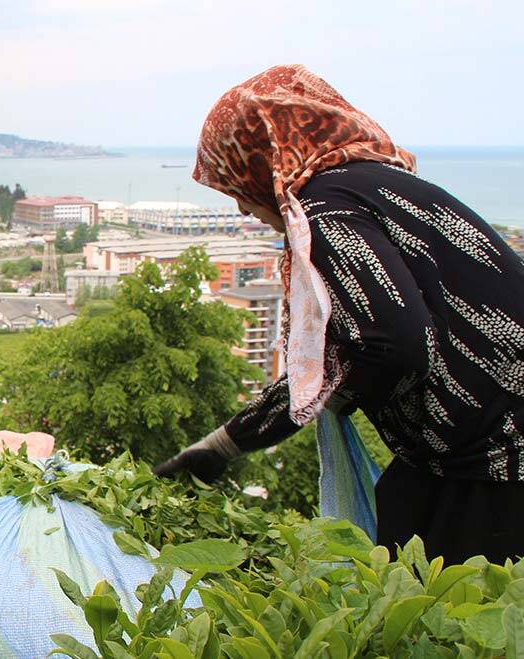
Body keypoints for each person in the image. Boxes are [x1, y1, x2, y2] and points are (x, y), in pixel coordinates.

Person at [154, 65, 524, 564]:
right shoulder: (372, 185)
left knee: (440, 595)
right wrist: (221, 447)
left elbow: (392, 345)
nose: (242, 207)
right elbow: (340, 363)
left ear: (262, 161)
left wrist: (341, 393)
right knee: (401, 526)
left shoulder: (327, 207)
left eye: (236, 183)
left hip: (499, 458)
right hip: (482, 446)